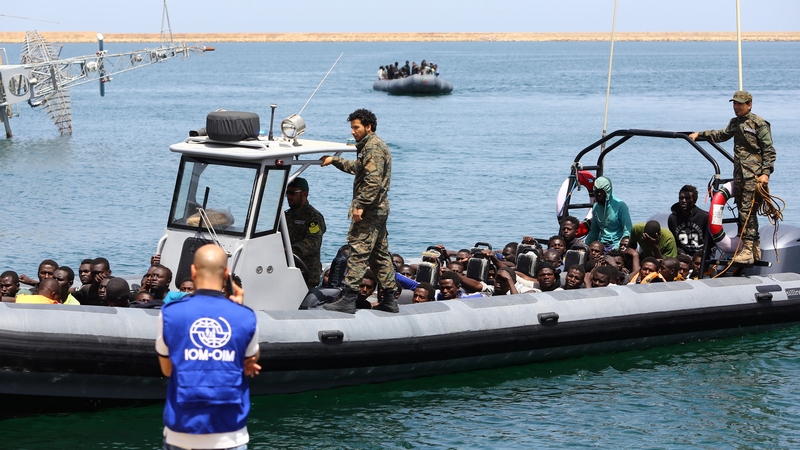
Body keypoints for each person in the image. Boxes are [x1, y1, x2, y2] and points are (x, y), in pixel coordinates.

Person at [156, 244, 260, 450]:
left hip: (181, 434)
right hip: (231, 434)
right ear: (227, 274)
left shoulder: (169, 314)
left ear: (193, 271)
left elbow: (167, 369)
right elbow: (251, 360)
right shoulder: (245, 316)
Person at [320, 109, 398, 313]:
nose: (353, 131)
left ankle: (349, 297)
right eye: (352, 128)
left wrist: (361, 205)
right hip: (378, 209)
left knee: (357, 250)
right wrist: (335, 160)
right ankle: (390, 297)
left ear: (368, 127)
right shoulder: (371, 147)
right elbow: (359, 168)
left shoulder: (372, 147)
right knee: (379, 255)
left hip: (370, 210)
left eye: (356, 127)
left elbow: (372, 181)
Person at [689, 91, 776, 264]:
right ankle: (754, 247)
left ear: (749, 104)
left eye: (740, 104)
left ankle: (748, 249)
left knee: (747, 212)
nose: (736, 107)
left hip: (754, 177)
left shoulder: (759, 124)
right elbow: (721, 135)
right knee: (746, 212)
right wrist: (700, 134)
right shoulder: (735, 123)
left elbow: (769, 151)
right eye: (734, 104)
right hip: (740, 176)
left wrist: (765, 173)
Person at [284, 177, 326, 289]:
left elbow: (313, 242)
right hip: (285, 269)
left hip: (306, 273)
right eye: (287, 192)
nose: (288, 196)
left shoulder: (313, 217)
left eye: (292, 193)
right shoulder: (285, 216)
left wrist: (289, 251)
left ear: (304, 194)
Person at [584, 176, 631, 251]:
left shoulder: (621, 206)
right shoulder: (596, 207)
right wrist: (585, 246)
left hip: (616, 243)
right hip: (602, 244)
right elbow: (594, 231)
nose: (599, 194)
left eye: (602, 191)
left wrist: (616, 248)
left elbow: (627, 231)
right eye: (597, 191)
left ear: (608, 191)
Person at [668, 185, 709, 256]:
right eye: (681, 198)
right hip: (683, 256)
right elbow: (675, 243)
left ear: (694, 200)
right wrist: (682, 254)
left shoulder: (704, 217)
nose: (683, 201)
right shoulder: (673, 218)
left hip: (701, 255)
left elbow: (710, 242)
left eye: (687, 198)